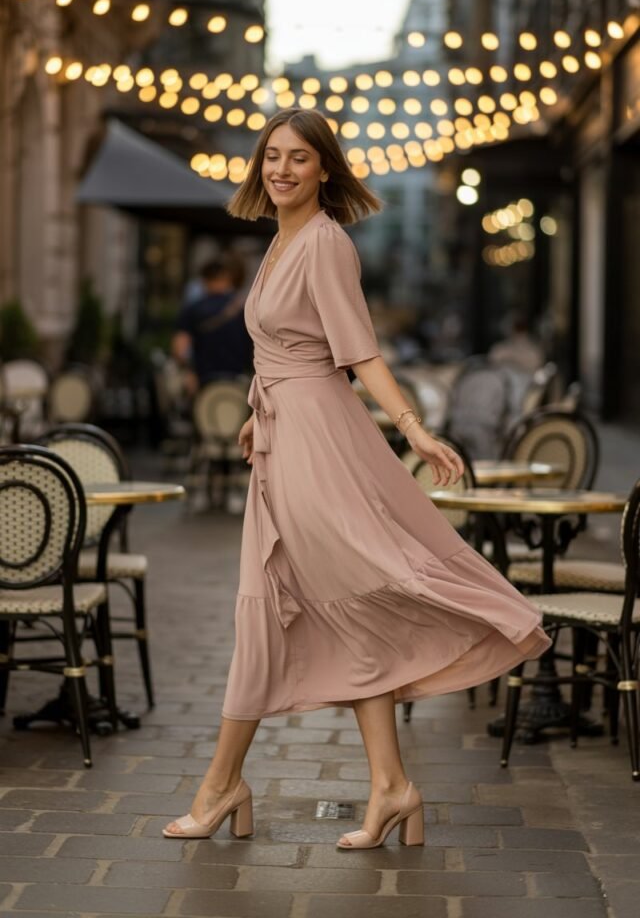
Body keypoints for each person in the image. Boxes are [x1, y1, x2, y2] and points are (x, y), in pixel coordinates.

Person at [163, 108, 551, 850]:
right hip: (282, 438)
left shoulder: (326, 243)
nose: (281, 169)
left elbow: (359, 353)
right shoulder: (277, 244)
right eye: (271, 155)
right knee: (329, 607)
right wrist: (255, 411)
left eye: (298, 159)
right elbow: (281, 349)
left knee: (307, 600)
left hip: (317, 445)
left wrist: (413, 429)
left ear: (325, 171)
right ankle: (390, 787)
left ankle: (221, 787)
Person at [172, 254, 253, 394]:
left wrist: (187, 371)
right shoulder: (244, 308)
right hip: (238, 381)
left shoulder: (193, 309)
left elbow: (180, 348)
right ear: (229, 278)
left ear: (204, 279)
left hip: (204, 382)